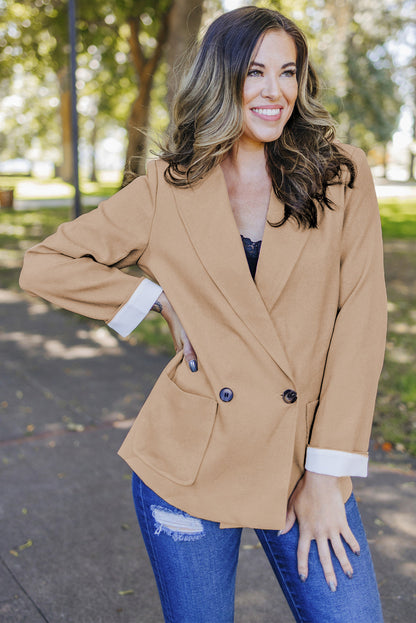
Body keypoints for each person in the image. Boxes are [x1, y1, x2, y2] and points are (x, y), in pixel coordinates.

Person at [19, 6, 387, 622]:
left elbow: (362, 321)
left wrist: (325, 477)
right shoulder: (170, 186)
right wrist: (154, 300)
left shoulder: (340, 175)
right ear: (222, 79)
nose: (275, 91)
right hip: (188, 467)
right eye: (255, 72)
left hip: (306, 461)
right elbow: (44, 263)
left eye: (288, 72)